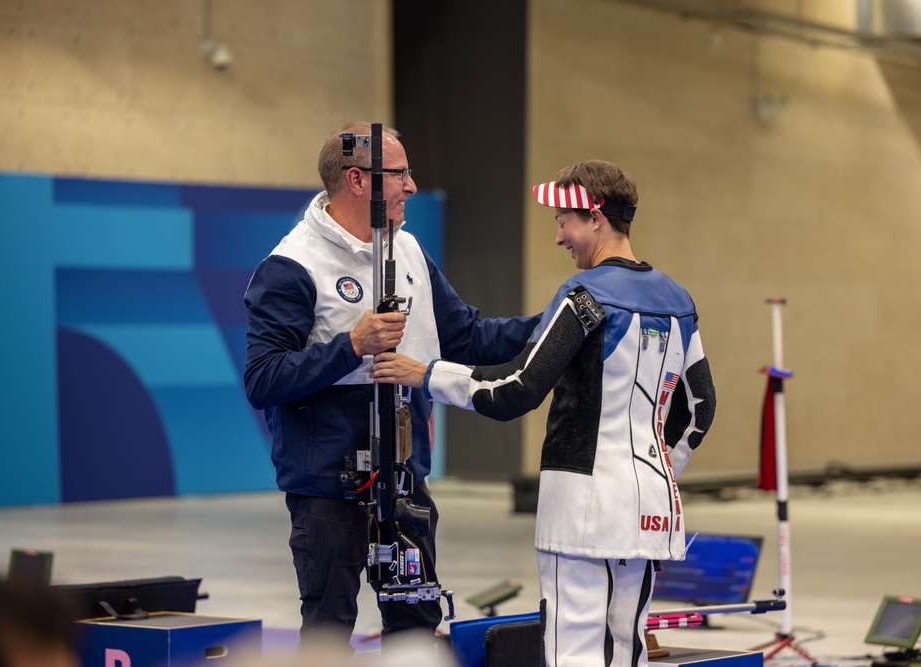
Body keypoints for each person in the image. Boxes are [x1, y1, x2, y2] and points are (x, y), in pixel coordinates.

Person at [370, 159, 717, 666]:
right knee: (628, 647)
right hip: (651, 511)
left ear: (595, 216)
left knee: (572, 648)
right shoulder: (678, 300)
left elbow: (516, 388)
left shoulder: (584, 297)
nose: (559, 236)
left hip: (581, 507)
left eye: (563, 221)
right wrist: (658, 469)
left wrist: (424, 374)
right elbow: (701, 409)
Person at [242, 121, 539, 656]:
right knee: (330, 629)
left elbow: (468, 336)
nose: (412, 186)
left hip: (403, 480)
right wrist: (351, 345)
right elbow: (263, 379)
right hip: (328, 491)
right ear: (358, 180)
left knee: (415, 627)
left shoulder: (407, 250)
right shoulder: (292, 265)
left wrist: (558, 326)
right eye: (400, 173)